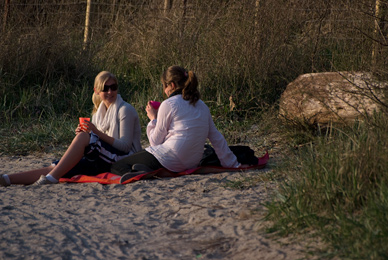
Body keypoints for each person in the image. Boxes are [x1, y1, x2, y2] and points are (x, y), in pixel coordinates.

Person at [0, 71, 142, 186]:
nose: (110, 92)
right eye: (105, 88)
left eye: (114, 87)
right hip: (103, 156)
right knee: (57, 167)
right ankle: (8, 179)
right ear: (97, 91)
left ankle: (52, 178)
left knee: (82, 140)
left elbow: (125, 146)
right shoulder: (99, 112)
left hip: (123, 158)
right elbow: (98, 140)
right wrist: (88, 134)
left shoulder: (125, 110)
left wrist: (94, 133)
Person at [111, 66, 241, 182]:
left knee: (117, 166)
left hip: (171, 159)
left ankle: (144, 173)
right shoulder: (202, 105)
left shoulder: (169, 104)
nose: (165, 91)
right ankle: (146, 170)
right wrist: (232, 164)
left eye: (165, 86)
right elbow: (216, 138)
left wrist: (153, 119)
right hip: (191, 162)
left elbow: (155, 142)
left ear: (172, 85)